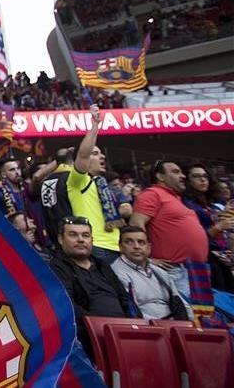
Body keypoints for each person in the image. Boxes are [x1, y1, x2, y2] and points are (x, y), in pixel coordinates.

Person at [48, 217, 131, 359]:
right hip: (87, 336)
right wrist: (96, 325)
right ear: (61, 240)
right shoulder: (56, 267)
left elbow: (124, 299)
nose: (81, 240)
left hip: (123, 332)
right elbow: (67, 305)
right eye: (73, 235)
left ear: (91, 240)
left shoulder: (102, 265)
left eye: (85, 235)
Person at [129, 160, 209, 305]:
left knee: (203, 320)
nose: (183, 176)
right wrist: (146, 259)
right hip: (175, 270)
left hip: (196, 270)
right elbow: (135, 225)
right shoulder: (152, 194)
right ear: (160, 177)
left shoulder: (176, 199)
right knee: (185, 319)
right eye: (175, 172)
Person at [64, 105, 121, 264]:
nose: (102, 156)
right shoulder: (78, 181)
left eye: (100, 153)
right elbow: (83, 153)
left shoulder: (103, 184)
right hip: (96, 247)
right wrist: (95, 125)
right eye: (95, 154)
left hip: (117, 246)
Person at [110, 225, 191, 321]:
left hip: (172, 324)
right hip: (143, 328)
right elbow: (130, 311)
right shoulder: (117, 272)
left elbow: (180, 302)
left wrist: (192, 323)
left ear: (148, 248)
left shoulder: (160, 273)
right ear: (120, 247)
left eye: (141, 242)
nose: (136, 246)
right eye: (129, 242)